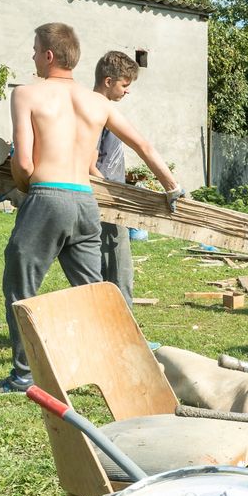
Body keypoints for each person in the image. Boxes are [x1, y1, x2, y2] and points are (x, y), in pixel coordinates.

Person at [0, 23, 185, 393]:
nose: (32, 56)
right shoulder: (98, 104)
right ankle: (115, 370)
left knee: (20, 288)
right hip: (85, 204)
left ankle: (24, 377)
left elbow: (24, 164)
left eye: (34, 50)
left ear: (48, 55)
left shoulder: (27, 94)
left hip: (47, 197)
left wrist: (33, 191)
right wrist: (173, 188)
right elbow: (144, 145)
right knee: (93, 294)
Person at [90, 50, 141, 307]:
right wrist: (110, 195)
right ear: (108, 81)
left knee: (109, 269)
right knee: (118, 270)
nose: (127, 91)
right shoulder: (95, 112)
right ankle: (123, 328)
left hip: (110, 199)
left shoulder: (102, 110)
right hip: (104, 202)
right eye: (125, 84)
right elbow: (88, 164)